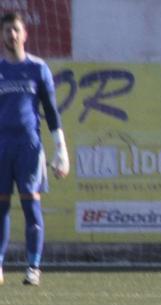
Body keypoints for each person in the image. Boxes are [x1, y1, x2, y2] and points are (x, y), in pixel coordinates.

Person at [0, 12, 69, 286]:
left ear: (24, 34)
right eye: (7, 30)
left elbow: (51, 112)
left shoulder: (38, 69)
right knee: (1, 209)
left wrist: (60, 149)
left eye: (16, 29)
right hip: (1, 147)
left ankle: (33, 267)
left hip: (29, 147)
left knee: (31, 207)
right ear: (2, 35)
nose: (11, 35)